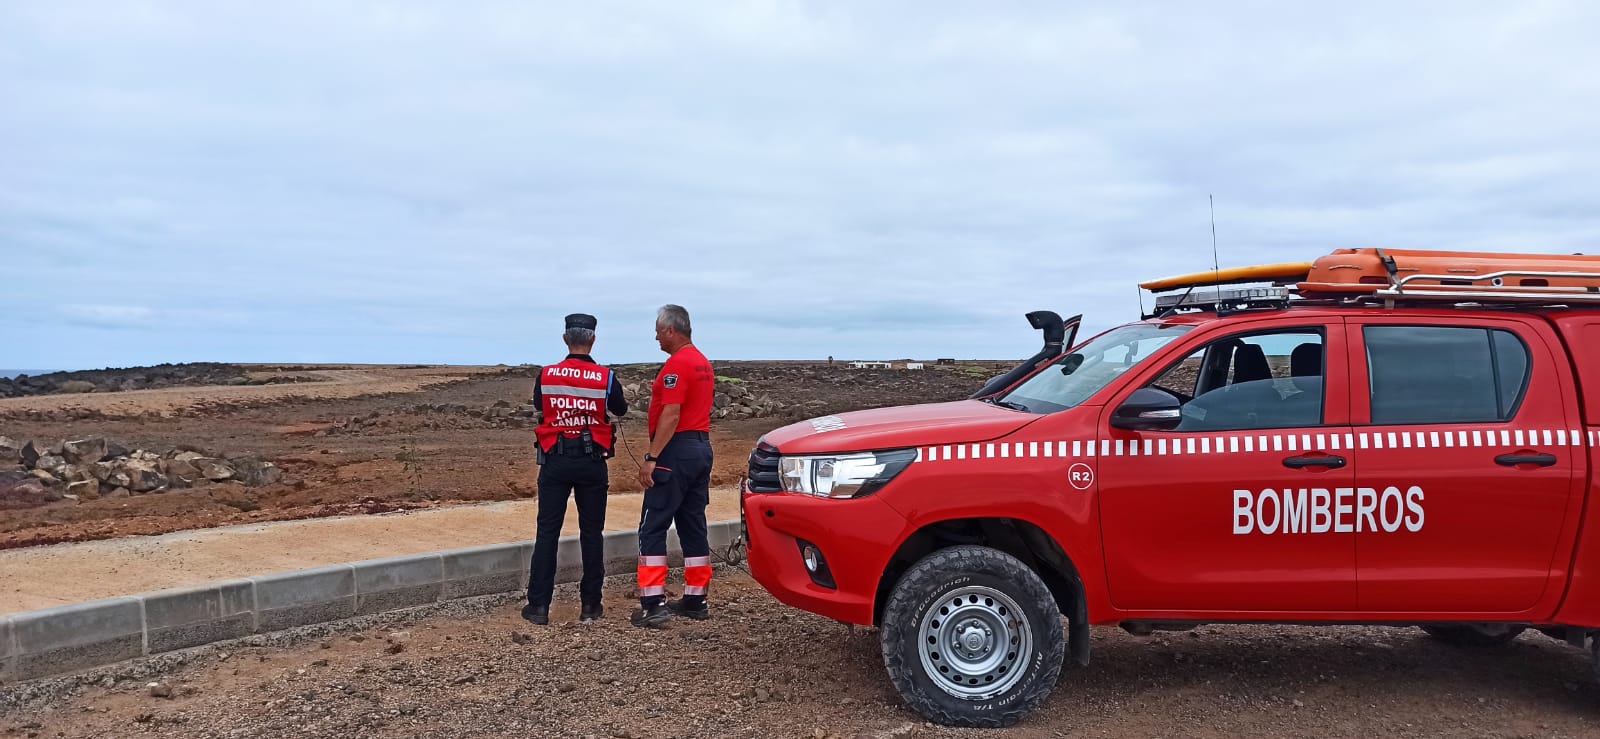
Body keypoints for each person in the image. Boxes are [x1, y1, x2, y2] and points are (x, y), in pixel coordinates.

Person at [523, 313, 628, 626]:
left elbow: (540, 407)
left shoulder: (547, 375)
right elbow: (620, 409)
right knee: (592, 533)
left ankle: (539, 607)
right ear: (592, 339)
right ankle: (591, 606)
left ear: (565, 338)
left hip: (555, 460)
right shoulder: (605, 377)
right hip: (592, 461)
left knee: (547, 533)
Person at [631, 304, 716, 628]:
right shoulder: (702, 363)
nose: (655, 336)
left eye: (657, 330)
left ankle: (653, 604)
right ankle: (696, 598)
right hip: (700, 449)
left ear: (670, 330)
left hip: (675, 452)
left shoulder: (677, 365)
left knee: (652, 527)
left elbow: (672, 413)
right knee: (693, 525)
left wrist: (652, 457)